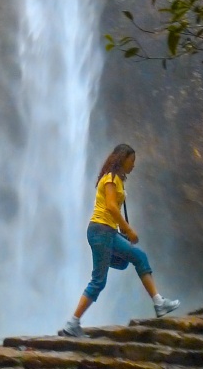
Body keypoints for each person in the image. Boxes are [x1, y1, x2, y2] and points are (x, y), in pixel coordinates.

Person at [59, 143, 179, 336]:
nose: (133, 165)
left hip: (107, 233)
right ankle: (72, 324)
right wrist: (128, 229)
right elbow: (111, 207)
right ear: (122, 159)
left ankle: (159, 303)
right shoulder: (111, 178)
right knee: (98, 281)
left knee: (139, 257)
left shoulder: (117, 180)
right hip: (102, 231)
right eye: (132, 161)